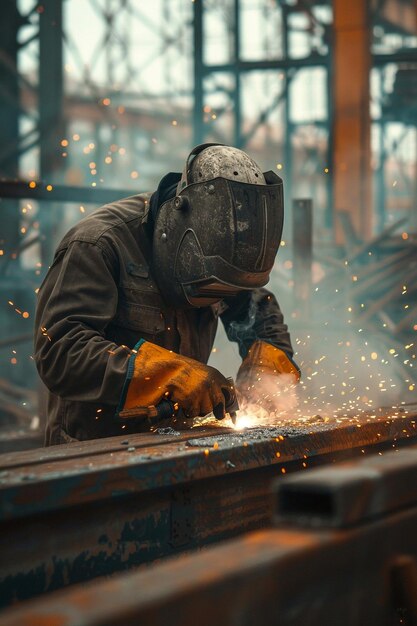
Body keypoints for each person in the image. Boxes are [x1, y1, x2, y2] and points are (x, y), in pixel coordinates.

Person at [34, 143, 300, 445]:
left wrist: (264, 371)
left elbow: (257, 310)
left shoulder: (222, 251)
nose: (215, 298)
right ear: (174, 227)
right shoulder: (99, 244)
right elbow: (59, 350)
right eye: (207, 289)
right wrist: (168, 373)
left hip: (175, 444)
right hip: (91, 451)